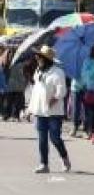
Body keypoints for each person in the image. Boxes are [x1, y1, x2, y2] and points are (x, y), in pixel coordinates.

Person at [26, 46, 71, 174]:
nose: (36, 58)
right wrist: (30, 109)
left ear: (45, 59)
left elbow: (62, 90)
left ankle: (64, 158)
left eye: (39, 56)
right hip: (40, 111)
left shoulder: (58, 72)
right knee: (42, 139)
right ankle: (44, 164)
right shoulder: (39, 71)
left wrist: (54, 99)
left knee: (55, 138)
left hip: (54, 112)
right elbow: (35, 92)